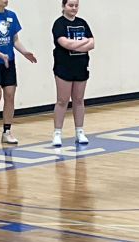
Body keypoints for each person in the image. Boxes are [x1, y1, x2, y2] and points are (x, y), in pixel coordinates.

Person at [0, 0, 37, 144]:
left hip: (8, 62)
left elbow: (15, 40)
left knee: (10, 95)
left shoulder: (12, 16)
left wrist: (25, 52)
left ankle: (7, 131)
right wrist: (1, 55)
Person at [51, 0, 94, 147]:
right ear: (63, 6)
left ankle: (79, 131)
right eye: (70, 5)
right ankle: (57, 133)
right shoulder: (59, 24)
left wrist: (78, 45)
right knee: (62, 100)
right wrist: (83, 42)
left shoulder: (82, 23)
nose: (74, 8)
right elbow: (66, 44)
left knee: (79, 99)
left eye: (76, 5)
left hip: (81, 66)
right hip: (64, 67)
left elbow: (92, 43)